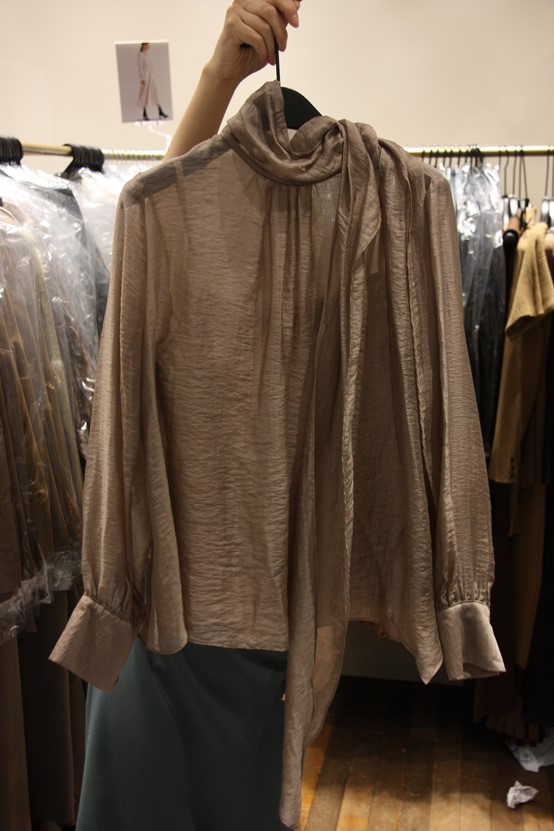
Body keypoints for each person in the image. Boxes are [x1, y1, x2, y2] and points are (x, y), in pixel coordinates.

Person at [137, 42, 170, 120]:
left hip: (151, 77)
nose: (149, 47)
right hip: (146, 78)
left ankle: (160, 111)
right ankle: (145, 113)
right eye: (147, 45)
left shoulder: (147, 55)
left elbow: (150, 66)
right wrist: (142, 78)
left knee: (154, 94)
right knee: (144, 95)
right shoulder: (141, 55)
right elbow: (140, 67)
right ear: (144, 46)